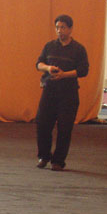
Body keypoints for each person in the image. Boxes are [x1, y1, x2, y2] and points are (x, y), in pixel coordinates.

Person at [35, 14, 89, 171]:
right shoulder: (49, 46)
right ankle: (44, 156)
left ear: (70, 29)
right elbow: (38, 64)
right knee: (42, 124)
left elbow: (83, 70)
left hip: (68, 93)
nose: (59, 31)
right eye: (57, 27)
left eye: (63, 27)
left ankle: (58, 161)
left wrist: (64, 75)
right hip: (49, 91)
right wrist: (48, 68)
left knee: (65, 128)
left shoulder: (79, 49)